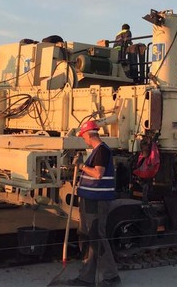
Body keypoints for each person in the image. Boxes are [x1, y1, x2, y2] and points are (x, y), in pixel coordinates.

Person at [67, 121, 121, 287]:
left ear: (89, 134)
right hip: (90, 200)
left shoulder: (102, 151)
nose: (83, 139)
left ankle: (111, 277)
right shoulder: (97, 152)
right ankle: (86, 277)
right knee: (88, 236)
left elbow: (98, 174)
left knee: (97, 236)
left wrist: (81, 166)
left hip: (97, 201)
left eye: (83, 136)